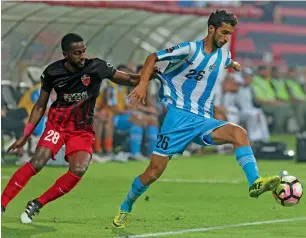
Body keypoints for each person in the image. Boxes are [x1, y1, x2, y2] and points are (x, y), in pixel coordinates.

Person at [113, 9, 281, 228]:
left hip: (203, 120)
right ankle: (126, 206)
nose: (226, 37)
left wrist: (235, 65)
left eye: (230, 34)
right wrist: (143, 84)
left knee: (238, 133)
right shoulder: (190, 49)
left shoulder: (224, 54)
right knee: (153, 173)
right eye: (224, 32)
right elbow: (153, 57)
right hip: (178, 119)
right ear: (211, 29)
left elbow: (227, 61)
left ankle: (254, 182)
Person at [1, 33, 144, 223]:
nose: (82, 56)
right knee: (37, 161)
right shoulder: (52, 72)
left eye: (83, 51)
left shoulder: (96, 66)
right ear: (65, 54)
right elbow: (40, 105)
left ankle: (37, 203)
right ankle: (2, 204)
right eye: (77, 53)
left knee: (78, 169)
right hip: (57, 125)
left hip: (82, 129)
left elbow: (129, 79)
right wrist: (25, 135)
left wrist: (149, 75)